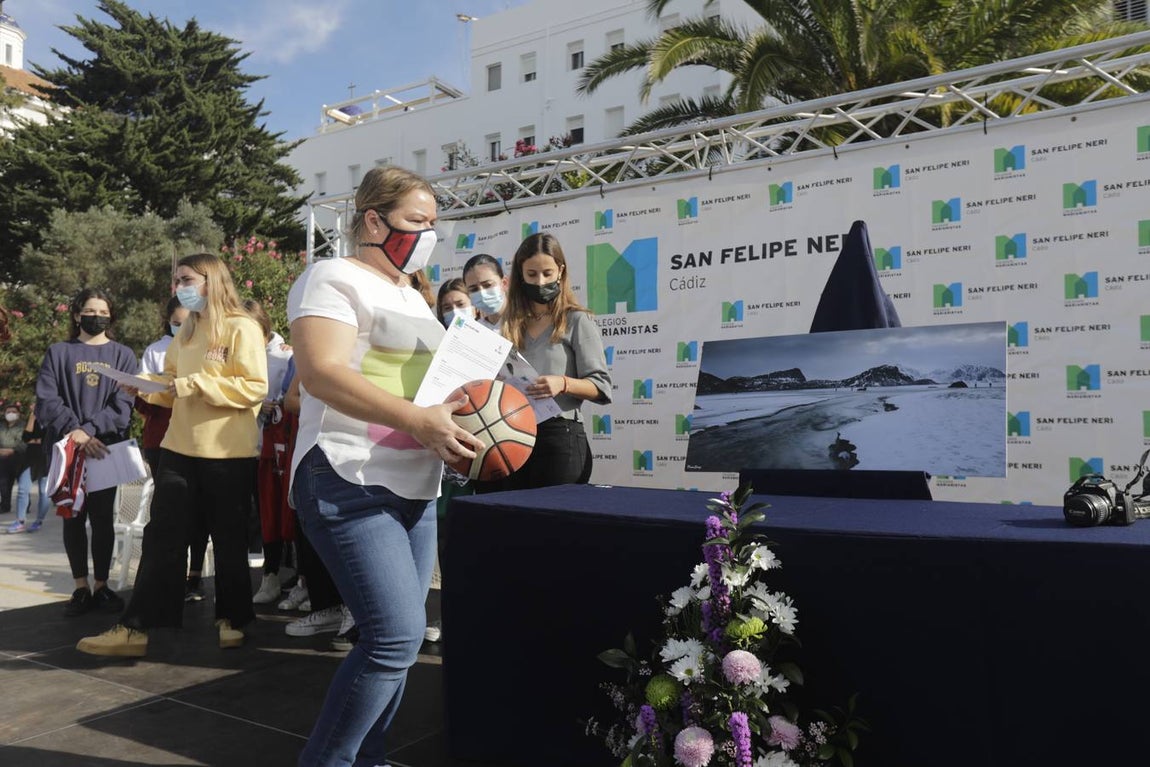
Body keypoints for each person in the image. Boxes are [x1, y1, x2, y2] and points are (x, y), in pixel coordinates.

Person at [287, 164, 484, 766]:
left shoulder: (414, 297)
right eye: (416, 221)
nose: (428, 234)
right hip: (346, 475)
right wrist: (417, 420)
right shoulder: (331, 276)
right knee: (396, 637)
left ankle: (368, 759)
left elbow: (426, 397)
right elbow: (321, 372)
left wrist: (464, 415)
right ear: (374, 220)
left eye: (434, 223)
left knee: (393, 643)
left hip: (415, 486)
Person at [76, 253, 268, 656]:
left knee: (228, 538)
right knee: (162, 536)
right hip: (179, 448)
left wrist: (196, 384)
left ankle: (233, 618)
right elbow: (169, 383)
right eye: (177, 280)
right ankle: (136, 627)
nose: (178, 287)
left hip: (228, 453)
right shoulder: (187, 330)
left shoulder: (241, 328)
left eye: (186, 278)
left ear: (211, 281)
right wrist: (141, 386)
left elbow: (254, 388)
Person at [35, 288, 137, 616]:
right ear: (78, 315)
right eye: (90, 311)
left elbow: (124, 404)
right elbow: (47, 400)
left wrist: (90, 431)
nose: (97, 317)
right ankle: (80, 586)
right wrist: (75, 432)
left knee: (103, 518)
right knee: (72, 517)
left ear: (111, 317)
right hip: (68, 449)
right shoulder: (58, 352)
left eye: (103, 312)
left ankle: (102, 585)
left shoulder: (123, 355)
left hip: (105, 449)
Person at [501, 232, 612, 489]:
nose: (540, 282)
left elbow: (602, 387)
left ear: (560, 272)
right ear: (520, 274)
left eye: (547, 273)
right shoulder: (510, 325)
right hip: (514, 435)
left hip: (560, 436)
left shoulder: (576, 320)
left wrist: (562, 383)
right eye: (531, 274)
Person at [137, 296, 208, 601]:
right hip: (161, 437)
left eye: (186, 322)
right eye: (176, 323)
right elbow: (148, 397)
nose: (180, 328)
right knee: (167, 511)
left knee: (198, 510)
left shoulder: (206, 342)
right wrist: (142, 389)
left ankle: (194, 575)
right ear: (167, 320)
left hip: (196, 437)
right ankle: (167, 579)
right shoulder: (156, 350)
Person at [245, 299, 297, 605]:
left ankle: (283, 574)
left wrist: (269, 405)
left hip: (278, 447)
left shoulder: (283, 355)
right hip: (244, 447)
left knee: (282, 513)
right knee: (260, 514)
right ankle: (270, 576)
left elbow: (289, 397)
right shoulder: (234, 353)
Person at [7, 412, 52, 534]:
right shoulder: (34, 418)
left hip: (47, 456)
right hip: (30, 455)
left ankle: (39, 520)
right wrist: (32, 417)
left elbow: (49, 438)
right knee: (22, 489)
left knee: (44, 491)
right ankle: (20, 521)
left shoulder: (55, 416)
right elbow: (26, 437)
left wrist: (37, 439)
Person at [461, 252, 507, 330]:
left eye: (487, 285)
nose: (482, 293)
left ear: (504, 283)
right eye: (474, 289)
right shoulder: (473, 331)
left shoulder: (528, 323)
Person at [0, 401, 26, 515]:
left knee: (23, 483)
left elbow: (23, 442)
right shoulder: (1, 426)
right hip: (2, 458)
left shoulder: (23, 426)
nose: (11, 413)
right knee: (4, 483)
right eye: (8, 412)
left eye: (14, 412)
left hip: (18, 457)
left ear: (18, 414)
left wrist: (12, 450)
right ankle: (5, 505)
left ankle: (26, 505)